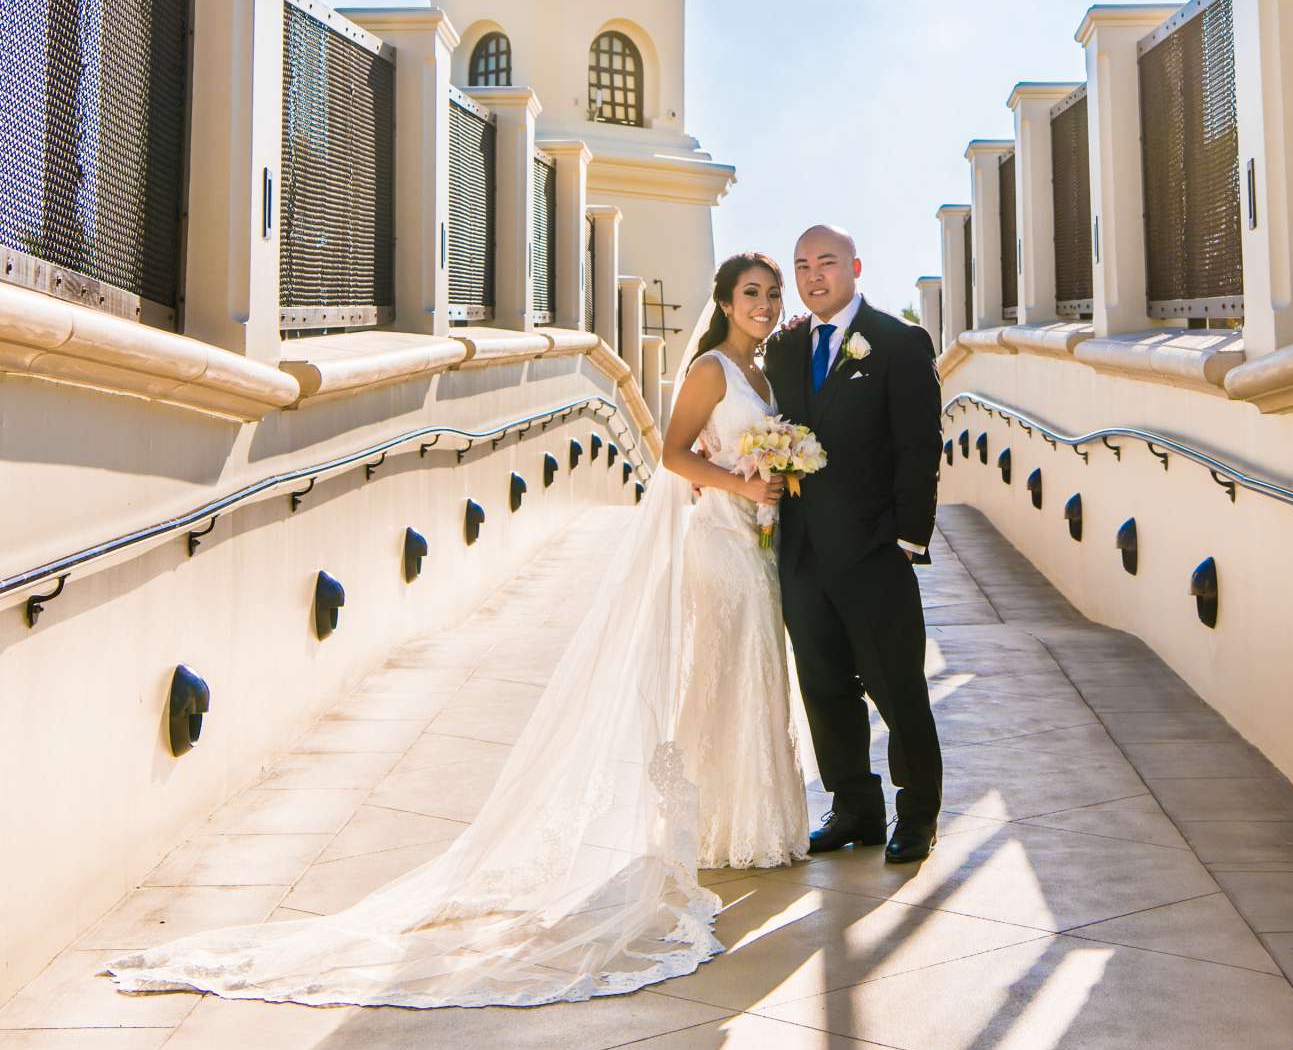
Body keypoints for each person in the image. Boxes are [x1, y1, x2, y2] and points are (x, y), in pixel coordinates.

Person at [106, 253, 806, 1010]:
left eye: (771, 295)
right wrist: (742, 482)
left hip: (755, 541)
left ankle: (749, 815)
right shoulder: (708, 369)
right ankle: (717, 825)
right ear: (725, 302)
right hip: (717, 540)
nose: (763, 305)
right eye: (751, 294)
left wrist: (773, 485)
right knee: (722, 669)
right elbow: (669, 455)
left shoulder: (765, 379)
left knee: (754, 668)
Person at [763, 224, 944, 863]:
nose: (815, 276)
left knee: (897, 686)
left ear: (856, 266)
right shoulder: (782, 350)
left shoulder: (898, 342)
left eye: (827, 262)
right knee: (824, 681)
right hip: (803, 551)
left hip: (875, 549)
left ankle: (916, 814)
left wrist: (907, 539)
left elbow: (920, 446)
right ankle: (854, 807)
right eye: (803, 264)